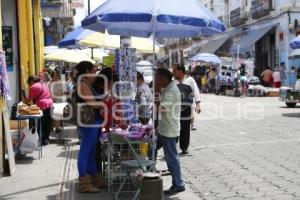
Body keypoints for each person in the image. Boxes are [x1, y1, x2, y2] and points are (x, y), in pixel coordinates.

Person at [75, 61, 105, 193]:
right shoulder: (83, 85)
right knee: (86, 151)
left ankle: (95, 179)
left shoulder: (86, 84)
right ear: (86, 72)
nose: (95, 74)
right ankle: (84, 182)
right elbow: (93, 105)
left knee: (92, 152)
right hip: (89, 123)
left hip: (93, 122)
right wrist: (106, 102)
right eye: (93, 71)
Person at [155, 68, 185, 195]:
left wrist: (156, 93)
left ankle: (178, 184)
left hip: (169, 130)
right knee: (152, 149)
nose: (156, 80)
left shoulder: (172, 90)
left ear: (163, 78)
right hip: (163, 128)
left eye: (157, 78)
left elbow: (162, 108)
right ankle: (152, 175)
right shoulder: (168, 89)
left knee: (171, 158)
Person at [173, 64, 201, 154]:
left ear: (180, 71)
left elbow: (196, 92)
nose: (173, 72)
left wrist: (198, 104)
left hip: (187, 108)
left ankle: (184, 148)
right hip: (174, 108)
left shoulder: (190, 80)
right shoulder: (173, 81)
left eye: (175, 70)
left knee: (185, 128)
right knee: (175, 128)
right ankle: (173, 147)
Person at [27, 76, 53, 145]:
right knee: (47, 122)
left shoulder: (33, 87)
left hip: (41, 105)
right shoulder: (44, 84)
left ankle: (41, 139)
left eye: (29, 83)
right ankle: (46, 139)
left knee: (41, 123)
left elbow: (29, 99)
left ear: (31, 81)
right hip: (50, 104)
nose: (29, 85)